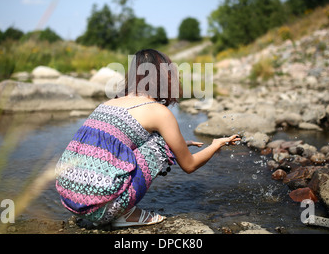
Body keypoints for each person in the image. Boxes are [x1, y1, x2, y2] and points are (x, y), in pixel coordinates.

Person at [55, 49, 240, 228]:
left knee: (154, 142)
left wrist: (179, 145)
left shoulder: (109, 102)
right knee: (160, 144)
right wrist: (217, 144)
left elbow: (110, 151)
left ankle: (105, 208)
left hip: (71, 201)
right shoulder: (158, 111)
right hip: (101, 209)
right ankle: (124, 215)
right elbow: (189, 165)